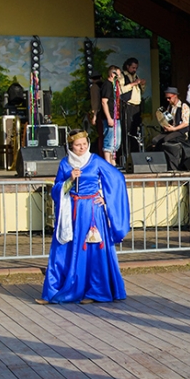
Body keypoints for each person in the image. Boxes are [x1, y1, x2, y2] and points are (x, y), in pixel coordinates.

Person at [37, 129, 130, 305]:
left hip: (91, 211)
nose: (82, 148)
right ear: (70, 146)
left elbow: (117, 178)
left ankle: (95, 291)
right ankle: (55, 290)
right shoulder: (65, 164)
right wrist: (70, 180)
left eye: (84, 144)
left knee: (92, 250)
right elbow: (56, 190)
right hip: (71, 210)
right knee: (63, 248)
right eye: (78, 145)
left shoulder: (96, 161)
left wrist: (106, 198)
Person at [99, 65, 126, 167]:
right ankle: (108, 163)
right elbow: (104, 102)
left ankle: (113, 162)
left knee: (116, 141)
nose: (119, 76)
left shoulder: (114, 85)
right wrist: (109, 118)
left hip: (116, 116)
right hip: (110, 116)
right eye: (117, 74)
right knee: (109, 140)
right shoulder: (107, 85)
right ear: (112, 74)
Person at [119, 57, 145, 157]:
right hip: (127, 105)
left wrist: (142, 85)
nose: (135, 70)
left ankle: (135, 153)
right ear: (127, 66)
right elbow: (121, 90)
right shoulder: (122, 76)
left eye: (136, 68)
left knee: (135, 131)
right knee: (127, 130)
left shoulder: (136, 76)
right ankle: (126, 154)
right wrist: (133, 83)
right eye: (133, 67)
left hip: (137, 106)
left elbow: (141, 92)